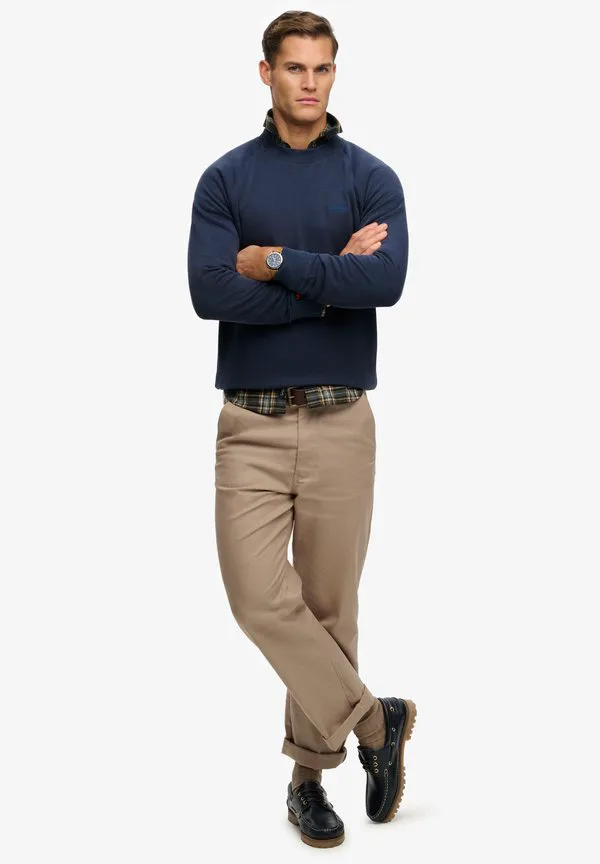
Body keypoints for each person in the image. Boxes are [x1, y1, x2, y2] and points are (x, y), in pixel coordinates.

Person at [187, 10, 415, 848]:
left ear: (334, 74)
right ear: (266, 73)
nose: (309, 82)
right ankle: (375, 722)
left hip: (340, 421)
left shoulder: (372, 178)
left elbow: (383, 282)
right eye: (294, 68)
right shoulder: (225, 179)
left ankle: (308, 783)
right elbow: (211, 292)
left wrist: (278, 263)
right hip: (248, 423)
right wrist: (328, 283)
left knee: (328, 608)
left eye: (322, 68)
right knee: (257, 597)